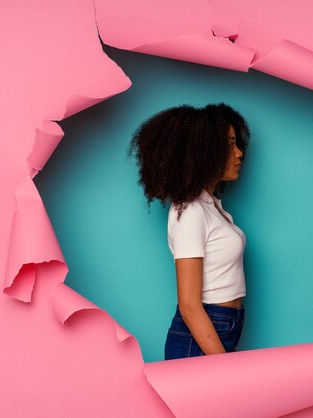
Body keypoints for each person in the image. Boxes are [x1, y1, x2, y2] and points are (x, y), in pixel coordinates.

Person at [128, 103, 250, 360]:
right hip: (202, 334)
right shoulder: (191, 211)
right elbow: (189, 306)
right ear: (203, 152)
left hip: (222, 326)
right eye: (229, 145)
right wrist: (224, 365)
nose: (239, 153)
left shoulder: (210, 205)